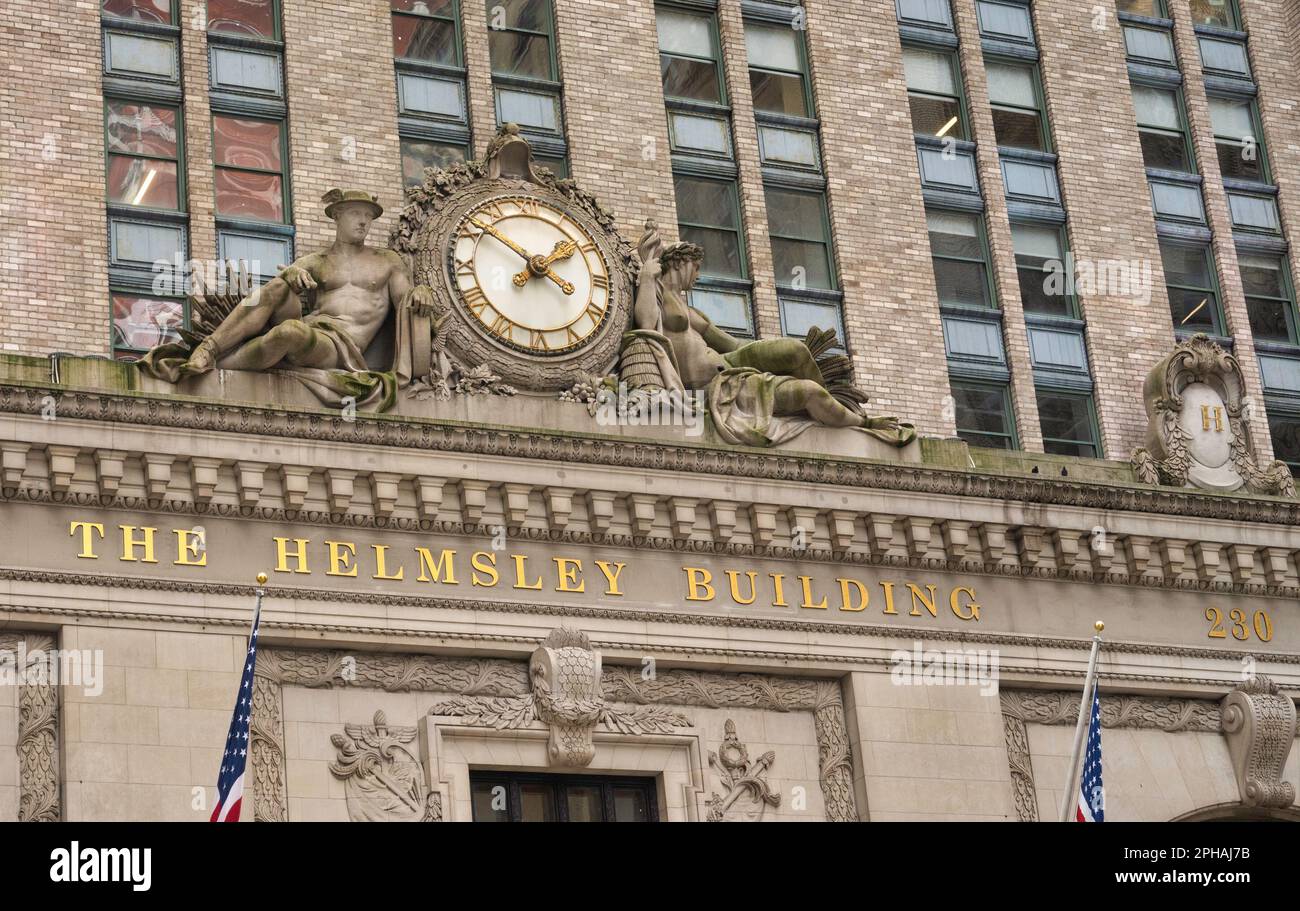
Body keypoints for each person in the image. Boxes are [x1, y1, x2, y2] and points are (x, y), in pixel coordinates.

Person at [139, 188, 437, 410]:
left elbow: (404, 300)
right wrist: (293, 276)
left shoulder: (387, 261)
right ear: (337, 216)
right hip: (315, 328)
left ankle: (221, 368)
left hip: (341, 349)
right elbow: (282, 287)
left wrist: (419, 293)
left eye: (368, 216)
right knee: (280, 285)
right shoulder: (317, 261)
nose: (363, 222)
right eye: (356, 214)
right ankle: (210, 349)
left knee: (288, 332)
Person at [628, 223, 914, 447]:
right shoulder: (657, 291)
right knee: (810, 393)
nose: (698, 276)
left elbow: (733, 344)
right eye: (697, 268)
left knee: (794, 351)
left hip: (731, 365)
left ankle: (840, 405)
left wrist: (768, 355)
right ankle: (862, 423)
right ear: (682, 262)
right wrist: (648, 276)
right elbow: (646, 323)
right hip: (714, 386)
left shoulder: (694, 313)